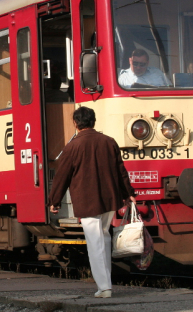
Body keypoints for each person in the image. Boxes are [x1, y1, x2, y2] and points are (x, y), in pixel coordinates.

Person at [49, 107, 136, 298]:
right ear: (94, 121)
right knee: (104, 237)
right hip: (108, 200)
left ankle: (105, 287)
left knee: (95, 242)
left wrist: (54, 200)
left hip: (87, 201)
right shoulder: (109, 142)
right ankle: (106, 283)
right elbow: (121, 170)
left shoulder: (72, 147)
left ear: (75, 123)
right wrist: (129, 192)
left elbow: (61, 176)